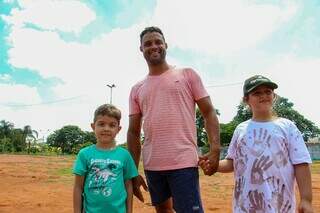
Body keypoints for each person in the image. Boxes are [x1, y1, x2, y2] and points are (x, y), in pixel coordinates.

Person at [127, 26, 220, 213]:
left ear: (165, 45)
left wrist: (215, 149)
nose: (153, 46)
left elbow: (209, 112)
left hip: (184, 163)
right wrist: (132, 171)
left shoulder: (187, 74)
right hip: (152, 164)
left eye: (157, 42)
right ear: (141, 49)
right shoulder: (137, 89)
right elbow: (133, 131)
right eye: (148, 44)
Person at [200, 75, 313, 213]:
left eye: (268, 91)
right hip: (245, 206)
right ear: (246, 100)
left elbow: (301, 163)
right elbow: (232, 163)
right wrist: (213, 164)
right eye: (257, 93)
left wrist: (306, 199)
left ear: (274, 95)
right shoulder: (240, 129)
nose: (263, 96)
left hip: (279, 205)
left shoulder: (287, 127)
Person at [73, 104, 138, 213]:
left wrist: (129, 211)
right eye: (101, 124)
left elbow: (128, 186)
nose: (106, 129)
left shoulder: (124, 155)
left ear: (119, 129)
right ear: (93, 127)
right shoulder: (84, 154)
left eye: (112, 125)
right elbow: (78, 187)